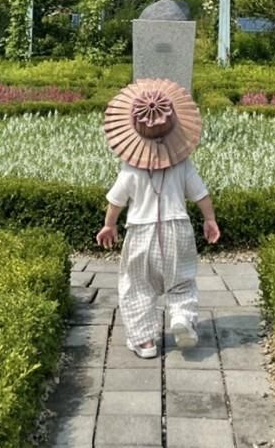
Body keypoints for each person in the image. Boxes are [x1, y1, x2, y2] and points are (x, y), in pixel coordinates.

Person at [96, 78, 220, 359]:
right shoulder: (183, 163)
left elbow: (115, 201)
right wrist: (209, 220)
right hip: (178, 229)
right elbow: (201, 195)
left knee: (137, 284)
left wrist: (109, 225)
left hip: (141, 232)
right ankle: (181, 318)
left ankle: (145, 341)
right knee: (182, 280)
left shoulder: (130, 169)